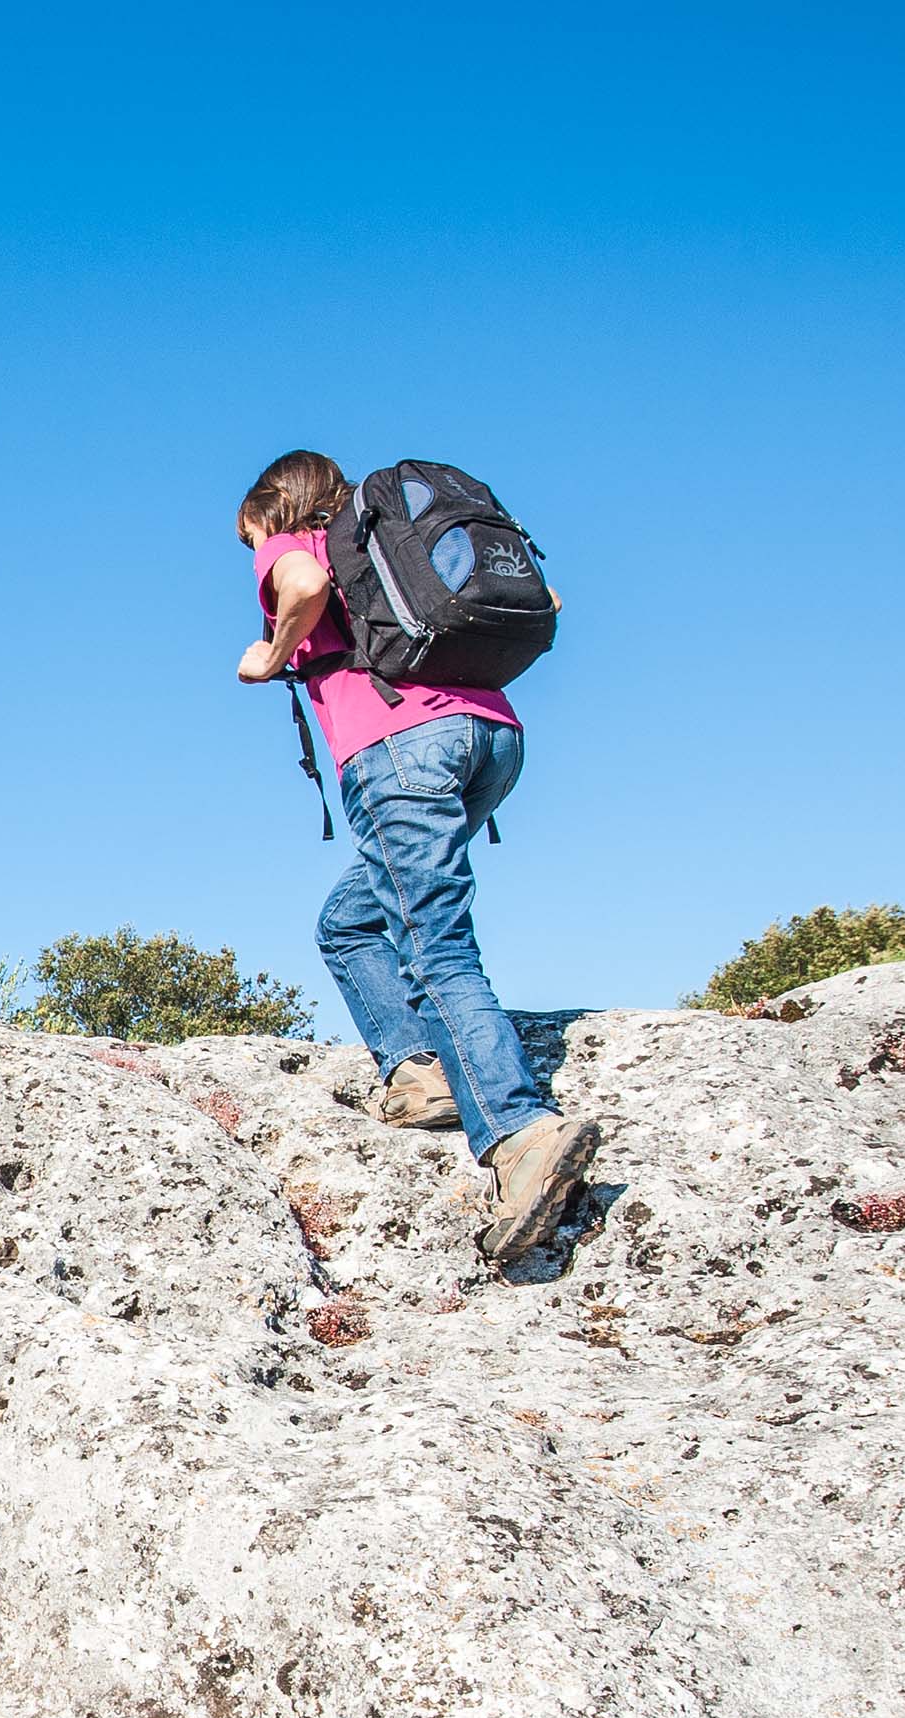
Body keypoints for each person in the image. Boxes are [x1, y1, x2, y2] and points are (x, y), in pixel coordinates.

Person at [234, 447, 599, 1263]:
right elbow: (549, 597)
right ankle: (420, 1072)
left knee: (436, 942)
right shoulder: (393, 535)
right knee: (351, 922)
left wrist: (270, 652)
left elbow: (301, 587)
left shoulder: (299, 541)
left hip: (399, 748)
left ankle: (518, 1128)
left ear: (273, 512)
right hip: (492, 738)